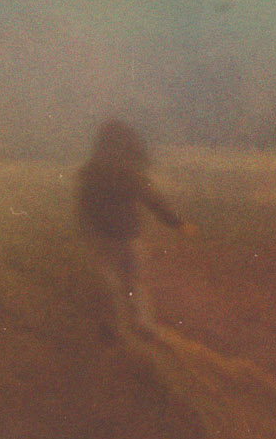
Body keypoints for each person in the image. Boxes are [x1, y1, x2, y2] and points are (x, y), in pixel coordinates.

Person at [76, 118, 193, 339]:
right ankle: (141, 325)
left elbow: (84, 209)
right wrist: (177, 223)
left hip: (105, 236)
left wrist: (89, 232)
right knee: (132, 281)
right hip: (125, 234)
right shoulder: (127, 171)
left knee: (113, 282)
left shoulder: (92, 172)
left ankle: (120, 329)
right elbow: (151, 198)